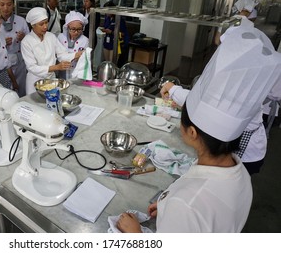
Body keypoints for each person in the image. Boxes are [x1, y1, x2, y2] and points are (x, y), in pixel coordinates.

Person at [117, 24, 281, 233]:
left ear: (192, 132)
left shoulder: (187, 205)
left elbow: (192, 210)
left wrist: (135, 233)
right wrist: (170, 210)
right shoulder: (240, 175)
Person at [21, 7, 84, 94]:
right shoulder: (26, 41)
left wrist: (75, 55)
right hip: (35, 81)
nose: (45, 26)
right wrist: (56, 67)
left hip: (51, 79)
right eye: (41, 24)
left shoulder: (51, 36)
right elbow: (32, 67)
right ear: (33, 25)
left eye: (46, 22)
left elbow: (61, 54)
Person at [0, 0, 30, 97]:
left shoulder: (21, 21)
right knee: (6, 95)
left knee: (22, 91)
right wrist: (1, 42)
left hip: (20, 64)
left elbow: (30, 42)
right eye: (2, 4)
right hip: (2, 66)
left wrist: (24, 39)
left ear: (13, 4)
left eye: (9, 4)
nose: (5, 8)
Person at [57, 11, 89, 79]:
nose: (76, 32)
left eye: (79, 29)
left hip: (77, 73)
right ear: (67, 27)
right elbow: (58, 56)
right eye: (73, 29)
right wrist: (74, 55)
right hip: (63, 71)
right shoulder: (60, 38)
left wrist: (82, 58)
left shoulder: (85, 40)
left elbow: (86, 59)